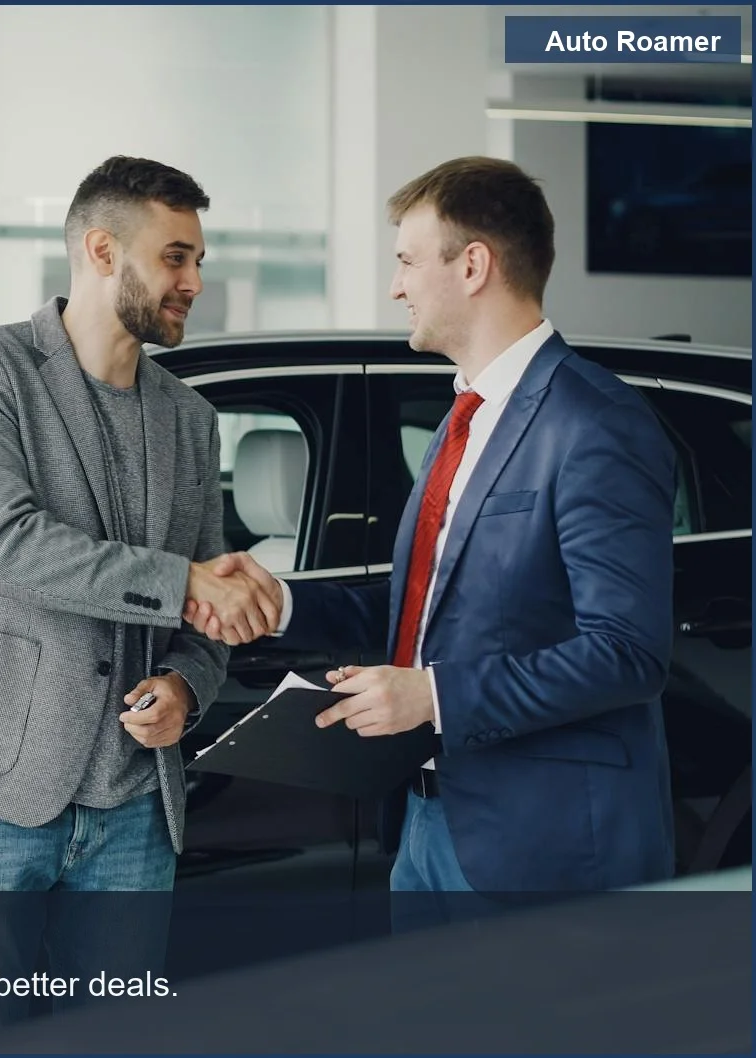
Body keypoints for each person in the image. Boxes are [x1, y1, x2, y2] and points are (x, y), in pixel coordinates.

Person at [192, 157, 678, 913]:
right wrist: (281, 604)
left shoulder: (594, 422)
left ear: (474, 264)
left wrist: (434, 695)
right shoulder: (464, 418)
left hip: (537, 846)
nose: (397, 286)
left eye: (409, 261)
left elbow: (627, 651)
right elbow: (424, 603)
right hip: (425, 821)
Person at [0, 156, 278, 1046]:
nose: (195, 282)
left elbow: (207, 607)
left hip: (136, 806)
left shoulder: (189, 417)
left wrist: (186, 684)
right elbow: (2, 544)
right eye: (176, 258)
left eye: (198, 260)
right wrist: (182, 585)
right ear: (103, 250)